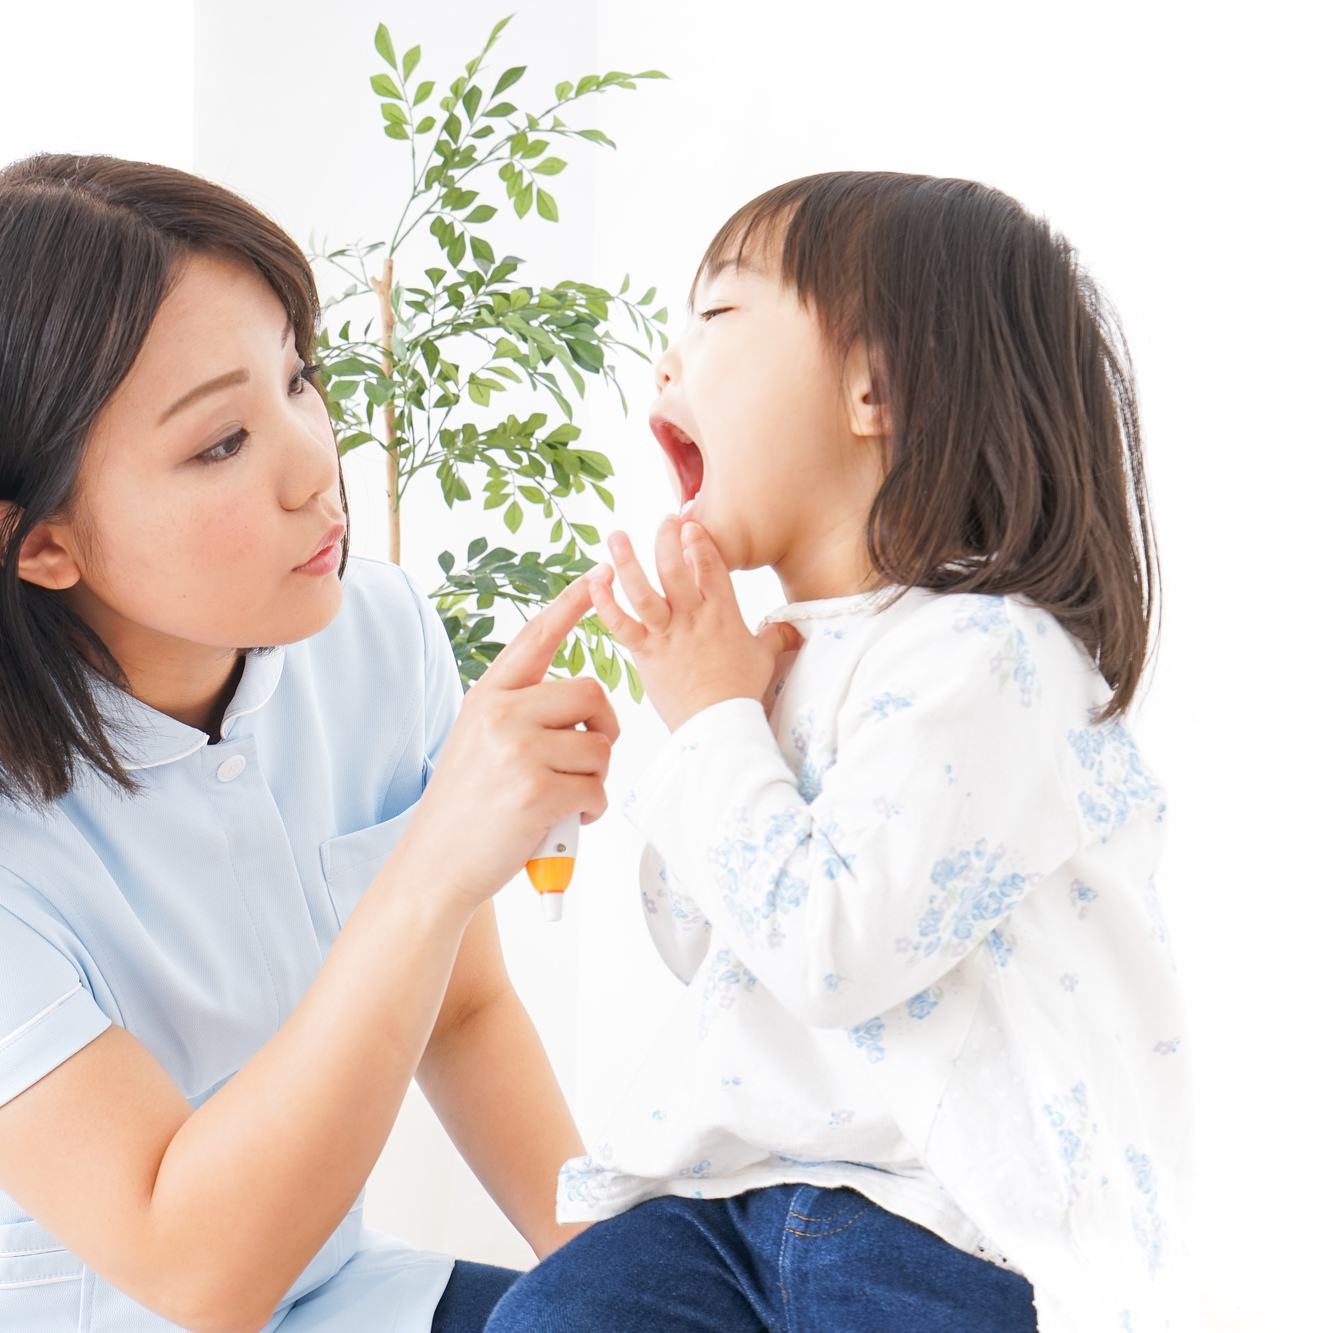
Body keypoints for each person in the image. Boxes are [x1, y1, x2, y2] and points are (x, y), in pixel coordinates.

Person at [0, 154, 614, 1333]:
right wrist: (436, 855)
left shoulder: (373, 633)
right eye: (220, 442)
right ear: (37, 545)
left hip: (320, 1288)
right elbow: (191, 1272)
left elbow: (466, 1011)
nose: (311, 462)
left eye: (298, 378)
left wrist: (634, 1284)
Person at [487, 173, 1190, 1331]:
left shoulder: (989, 658)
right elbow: (703, 939)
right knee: (550, 1316)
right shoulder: (780, 659)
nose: (665, 368)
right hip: (728, 1197)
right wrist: (710, 722)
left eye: (713, 320)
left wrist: (715, 724)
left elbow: (830, 955)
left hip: (940, 1217)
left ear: (873, 385)